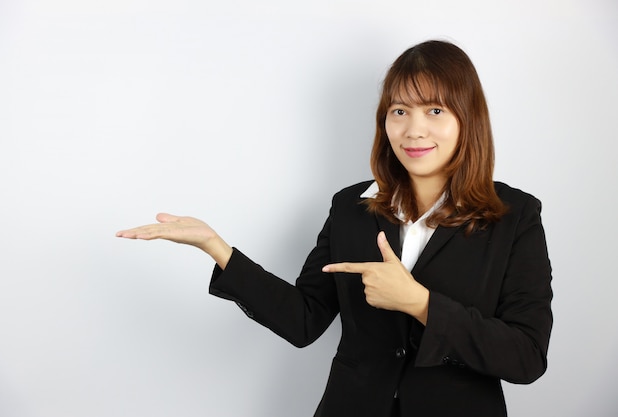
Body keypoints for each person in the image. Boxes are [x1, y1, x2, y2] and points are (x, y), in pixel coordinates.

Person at [116, 40, 553, 417]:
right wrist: (216, 248)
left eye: (435, 110)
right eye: (399, 110)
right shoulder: (351, 207)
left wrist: (421, 304)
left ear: (467, 119)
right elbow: (304, 319)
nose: (413, 129)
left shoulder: (514, 216)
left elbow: (526, 357)